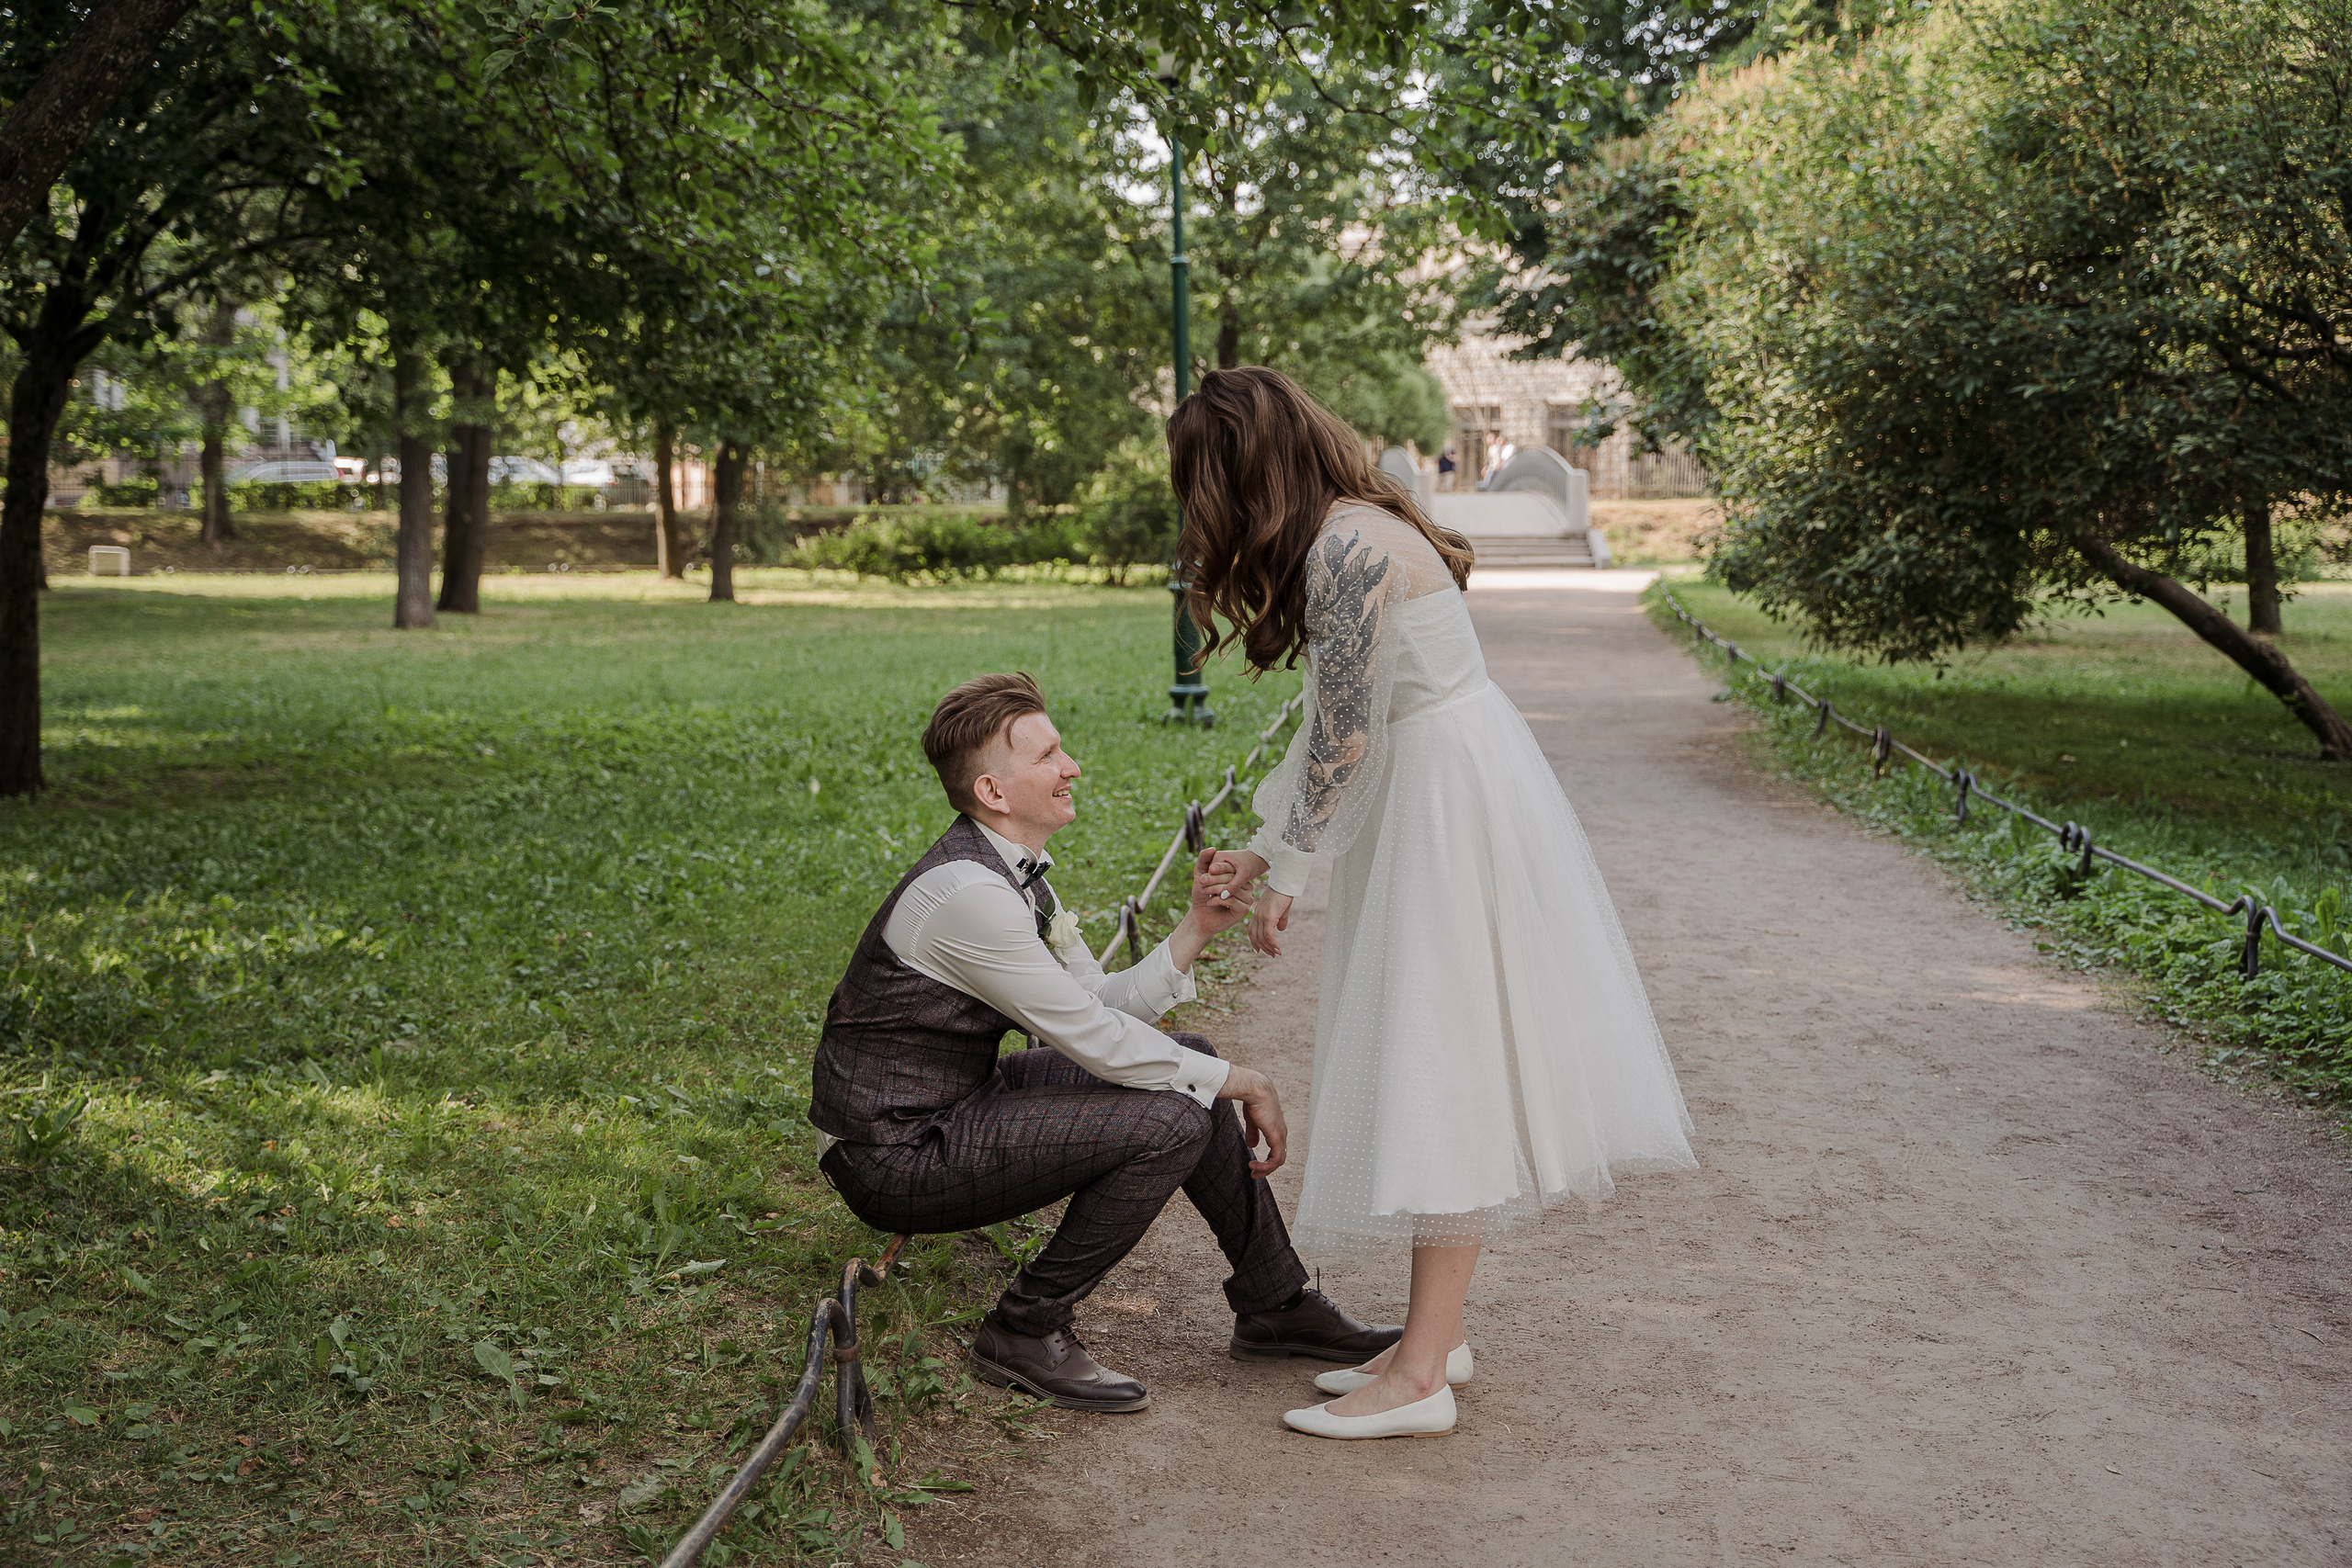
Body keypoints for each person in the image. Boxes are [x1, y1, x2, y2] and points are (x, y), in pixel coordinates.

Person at [1175, 367, 1697, 1440]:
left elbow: (1344, 739)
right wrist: (1268, 846)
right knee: (1437, 1053)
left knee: (1441, 1060)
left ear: (1239, 470)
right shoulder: (1352, 529)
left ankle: (1417, 1379)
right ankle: (1433, 1336)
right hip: (1439, 786)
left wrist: (1290, 875)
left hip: (1442, 809)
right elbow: (1335, 721)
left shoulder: (1347, 550)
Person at [808, 672, 1403, 1413]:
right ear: (995, 791)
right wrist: (1243, 1079)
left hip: (956, 1104)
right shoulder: (970, 895)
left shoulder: (1010, 872)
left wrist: (1194, 930)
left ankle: (1274, 1303)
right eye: (1049, 755)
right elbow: (1095, 1038)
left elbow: (1090, 1003)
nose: (1072, 767)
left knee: (1188, 1060)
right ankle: (1025, 1327)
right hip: (895, 1153)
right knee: (1176, 1111)